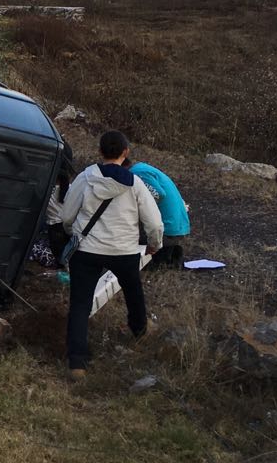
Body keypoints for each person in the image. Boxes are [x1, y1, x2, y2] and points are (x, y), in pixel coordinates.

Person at [61, 130, 164, 380]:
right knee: (133, 293)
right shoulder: (136, 184)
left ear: (100, 151)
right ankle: (139, 331)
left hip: (86, 250)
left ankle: (77, 363)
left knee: (80, 305)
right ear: (126, 152)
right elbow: (154, 223)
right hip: (124, 251)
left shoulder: (85, 179)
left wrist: (73, 233)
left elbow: (66, 216)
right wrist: (154, 245)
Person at [126, 158, 190, 268]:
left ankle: (161, 255)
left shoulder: (136, 174)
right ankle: (169, 253)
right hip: (177, 227)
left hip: (168, 230)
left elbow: (158, 195)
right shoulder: (142, 168)